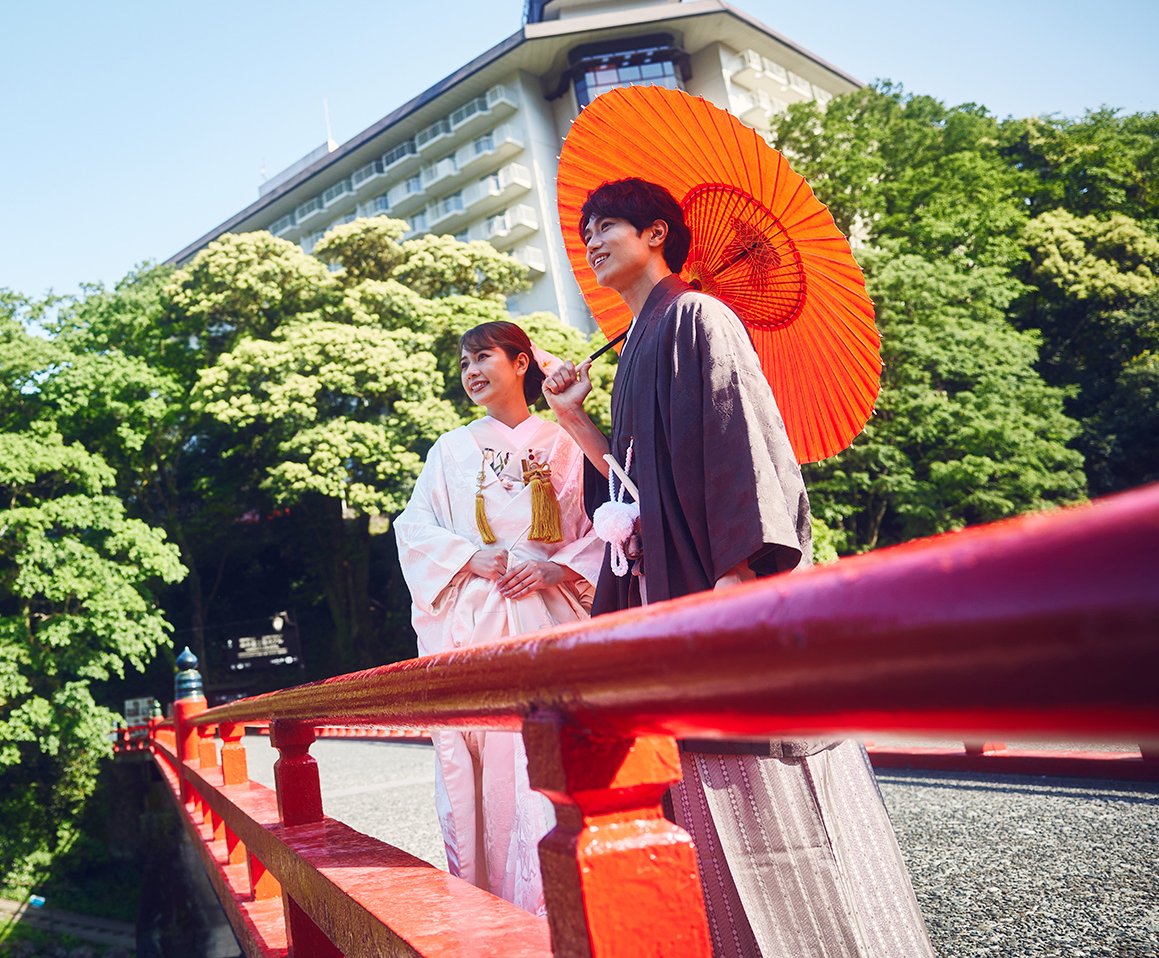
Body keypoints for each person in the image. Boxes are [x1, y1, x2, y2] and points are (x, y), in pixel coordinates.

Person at [542, 178, 934, 957]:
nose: (589, 241)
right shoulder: (641, 339)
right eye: (584, 231)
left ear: (657, 233)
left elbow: (742, 446)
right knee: (703, 794)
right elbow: (637, 482)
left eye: (608, 225)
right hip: (671, 588)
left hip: (718, 590)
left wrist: (741, 580)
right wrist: (577, 418)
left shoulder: (697, 316)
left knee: (764, 774)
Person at [394, 320, 603, 916]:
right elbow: (413, 528)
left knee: (553, 749)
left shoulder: (565, 441)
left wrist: (556, 570)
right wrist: (469, 555)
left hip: (549, 619)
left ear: (521, 363)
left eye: (483, 356)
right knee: (489, 762)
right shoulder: (451, 449)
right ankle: (507, 912)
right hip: (479, 626)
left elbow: (606, 523)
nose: (471, 372)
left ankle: (574, 901)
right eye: (463, 363)